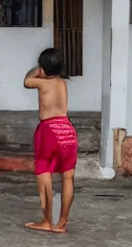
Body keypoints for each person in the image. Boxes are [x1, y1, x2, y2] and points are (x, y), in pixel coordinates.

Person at [22, 48, 78, 234]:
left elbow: (26, 82)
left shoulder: (42, 84)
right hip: (67, 130)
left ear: (43, 68)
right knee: (68, 177)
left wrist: (38, 70)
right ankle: (61, 224)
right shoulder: (62, 83)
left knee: (44, 173)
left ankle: (47, 221)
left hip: (49, 131)